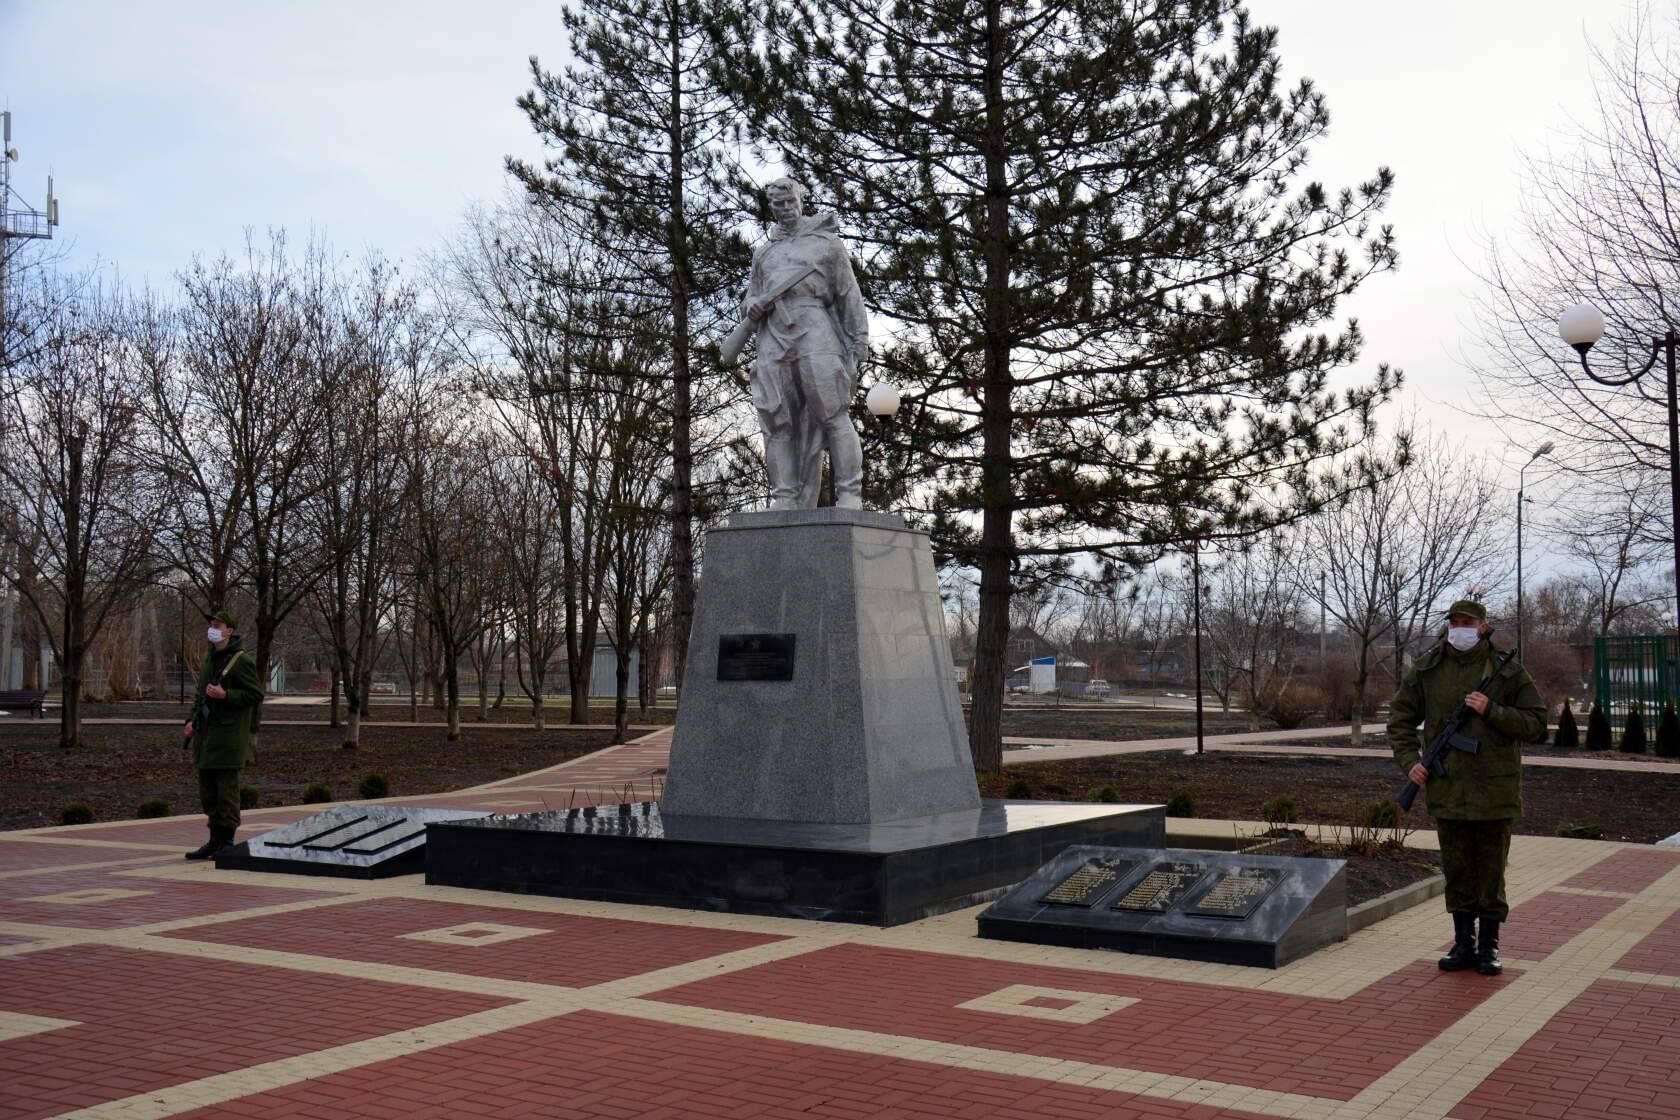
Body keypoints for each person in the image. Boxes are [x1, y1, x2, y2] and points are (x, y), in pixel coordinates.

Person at [1387, 599, 1546, 976]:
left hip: (1494, 791)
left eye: (1468, 622)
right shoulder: (1429, 669)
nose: (1460, 628)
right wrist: (1411, 762)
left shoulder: (1506, 670)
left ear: (1483, 626)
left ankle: (1489, 946)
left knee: (1490, 873)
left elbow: (1536, 723)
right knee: (1457, 870)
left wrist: (1492, 710)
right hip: (1448, 789)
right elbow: (1400, 719)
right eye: (1455, 622)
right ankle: (1462, 943)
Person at [733, 176, 870, 509]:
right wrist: (750, 304)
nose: (785, 209)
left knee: (833, 413)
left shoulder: (827, 244)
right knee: (777, 421)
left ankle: (849, 492)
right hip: (774, 337)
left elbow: (848, 293)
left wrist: (860, 339)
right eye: (778, 205)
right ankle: (785, 497)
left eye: (790, 202)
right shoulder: (766, 253)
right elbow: (752, 293)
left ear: (801, 200)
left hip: (815, 329)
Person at [182, 608, 264, 861]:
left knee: (225, 789)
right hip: (206, 736)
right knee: (208, 791)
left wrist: (227, 695)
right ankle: (214, 840)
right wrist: (191, 721)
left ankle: (226, 841)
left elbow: (255, 695)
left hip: (228, 737)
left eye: (218, 625)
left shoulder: (240, 661)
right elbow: (200, 695)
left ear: (230, 630)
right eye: (212, 624)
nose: (213, 629)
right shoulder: (210, 659)